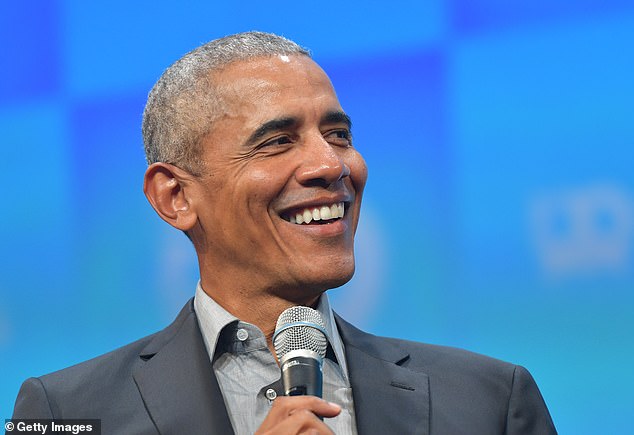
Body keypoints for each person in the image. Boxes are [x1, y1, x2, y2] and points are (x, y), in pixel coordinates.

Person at [12, 31, 557, 434]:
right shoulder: (64, 411)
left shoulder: (489, 401)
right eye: (277, 142)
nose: (331, 164)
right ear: (175, 197)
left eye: (338, 134)